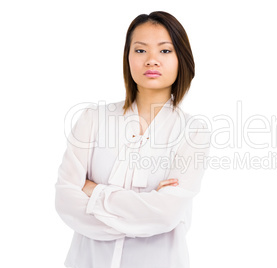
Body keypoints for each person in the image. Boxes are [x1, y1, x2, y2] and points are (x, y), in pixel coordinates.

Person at [55, 11, 211, 268]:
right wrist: (145, 210)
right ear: (127, 57)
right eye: (140, 51)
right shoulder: (93, 119)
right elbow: (65, 200)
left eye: (164, 51)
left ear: (181, 59)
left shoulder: (193, 131)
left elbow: (166, 214)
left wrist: (94, 191)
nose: (151, 60)